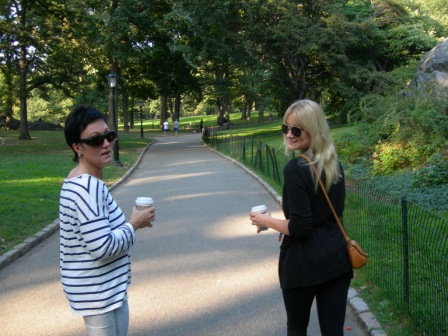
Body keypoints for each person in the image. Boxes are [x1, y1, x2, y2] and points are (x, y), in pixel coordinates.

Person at [249, 99, 352, 336]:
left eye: (297, 129)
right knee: (333, 331)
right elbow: (325, 214)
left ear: (313, 130)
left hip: (303, 265)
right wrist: (286, 225)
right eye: (286, 128)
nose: (290, 135)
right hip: (337, 258)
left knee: (297, 328)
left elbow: (302, 227)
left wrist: (267, 221)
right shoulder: (333, 164)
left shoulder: (295, 169)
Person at [59, 105, 155, 336]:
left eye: (108, 136)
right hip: (98, 293)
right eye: (95, 140)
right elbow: (103, 247)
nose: (105, 144)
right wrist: (134, 223)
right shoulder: (87, 187)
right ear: (77, 147)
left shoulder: (75, 180)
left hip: (102, 290)